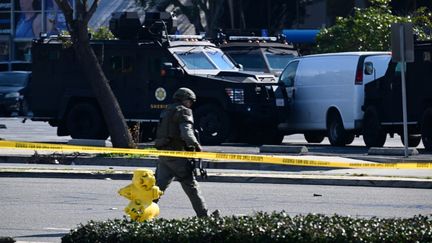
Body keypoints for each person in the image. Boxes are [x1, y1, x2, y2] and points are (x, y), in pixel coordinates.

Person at [154, 87, 208, 217]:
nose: (191, 104)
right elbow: (187, 132)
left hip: (164, 155)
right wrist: (196, 146)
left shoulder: (167, 111)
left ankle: (142, 214)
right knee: (191, 186)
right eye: (190, 101)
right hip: (178, 155)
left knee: (157, 189)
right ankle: (204, 217)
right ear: (185, 99)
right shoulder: (184, 111)